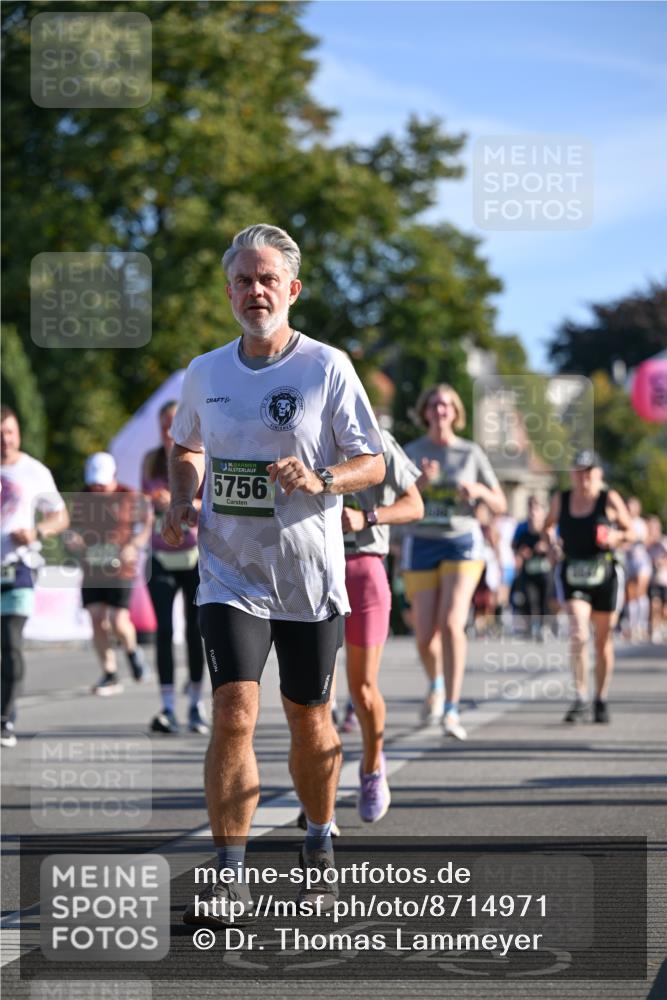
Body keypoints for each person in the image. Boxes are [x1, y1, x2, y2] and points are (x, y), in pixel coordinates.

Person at [163, 224, 384, 925]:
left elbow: (372, 461)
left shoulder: (326, 366)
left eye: (267, 280)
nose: (254, 291)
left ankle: (318, 840)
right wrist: (180, 496)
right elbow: (185, 446)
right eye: (242, 280)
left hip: (307, 577)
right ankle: (230, 875)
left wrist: (322, 478)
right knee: (233, 712)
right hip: (228, 573)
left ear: (292, 289)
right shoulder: (205, 372)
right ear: (228, 291)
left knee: (308, 717)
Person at [402, 384, 507, 739]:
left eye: (446, 404)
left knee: (451, 623)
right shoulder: (412, 452)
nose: (440, 410)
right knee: (424, 635)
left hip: (461, 541)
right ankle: (435, 684)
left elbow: (500, 503)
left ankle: (451, 707)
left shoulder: (470, 452)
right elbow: (392, 497)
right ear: (425, 411)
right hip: (421, 542)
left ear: (455, 412)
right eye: (434, 404)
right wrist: (420, 483)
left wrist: (478, 491)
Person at [339, 429, 423, 821]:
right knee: (313, 695)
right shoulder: (299, 425)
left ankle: (372, 768)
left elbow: (414, 505)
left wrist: (366, 517)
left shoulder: (375, 436)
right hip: (310, 570)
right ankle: (318, 794)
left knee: (363, 689)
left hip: (363, 567)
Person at [545, 450, 633, 724]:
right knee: (578, 632)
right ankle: (581, 696)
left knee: (602, 641)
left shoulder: (609, 498)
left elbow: (631, 532)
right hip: (573, 572)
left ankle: (601, 697)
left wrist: (615, 537)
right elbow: (547, 527)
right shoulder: (561, 499)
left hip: (604, 574)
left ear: (599, 474)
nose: (583, 477)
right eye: (578, 471)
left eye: (589, 471)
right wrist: (551, 546)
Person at [1, 406, 68, 747]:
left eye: (9, 432)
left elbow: (60, 516)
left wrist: (36, 532)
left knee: (10, 642)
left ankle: (4, 719)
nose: (5, 440)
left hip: (19, 567)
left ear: (18, 434)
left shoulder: (34, 471)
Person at [142, 401, 207, 735]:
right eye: (163, 426)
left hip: (194, 556)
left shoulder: (200, 455)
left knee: (196, 630)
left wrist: (183, 502)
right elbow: (144, 504)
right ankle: (167, 706)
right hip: (161, 556)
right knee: (164, 631)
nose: (168, 432)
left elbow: (213, 503)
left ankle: (196, 703)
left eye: (172, 424)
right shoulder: (151, 460)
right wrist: (152, 504)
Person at [66, 452, 151, 695]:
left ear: (113, 476)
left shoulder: (129, 496)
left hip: (120, 567)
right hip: (93, 567)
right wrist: (73, 539)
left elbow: (146, 524)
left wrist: (134, 545)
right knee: (96, 618)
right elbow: (73, 528)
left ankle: (132, 651)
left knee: (117, 620)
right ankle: (110, 673)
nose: (97, 489)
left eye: (101, 484)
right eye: (94, 484)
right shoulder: (83, 497)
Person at [512, 496, 553, 639]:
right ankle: (531, 627)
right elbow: (515, 546)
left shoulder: (548, 528)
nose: (533, 512)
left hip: (545, 572)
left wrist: (546, 547)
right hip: (528, 571)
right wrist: (521, 553)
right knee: (530, 599)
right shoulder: (522, 528)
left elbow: (557, 548)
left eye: (536, 508)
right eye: (530, 508)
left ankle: (544, 626)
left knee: (545, 600)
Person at [623, 497, 652, 643]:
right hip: (629, 561)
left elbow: (646, 540)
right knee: (630, 594)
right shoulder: (624, 522)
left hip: (641, 560)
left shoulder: (640, 523)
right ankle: (632, 626)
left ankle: (642, 626)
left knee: (641, 591)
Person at [646, 516, 667, 644]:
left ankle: (663, 626)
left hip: (664, 580)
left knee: (664, 610)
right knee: (654, 605)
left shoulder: (664, 541)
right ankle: (655, 630)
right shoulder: (648, 544)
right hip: (652, 580)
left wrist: (661, 562)